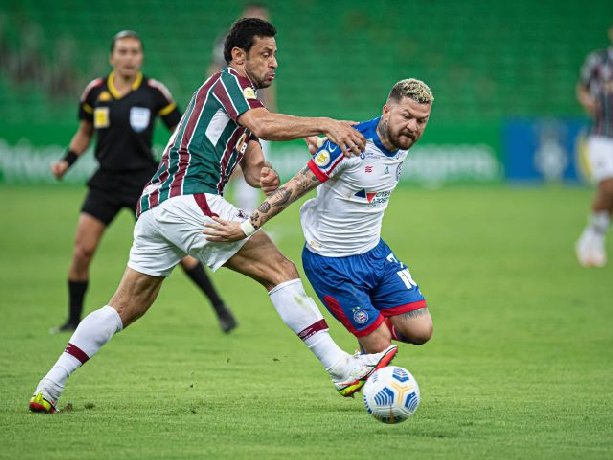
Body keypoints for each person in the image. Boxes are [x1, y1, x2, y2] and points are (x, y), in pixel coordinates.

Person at [29, 18, 396, 414]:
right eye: (265, 54)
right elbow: (263, 124)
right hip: (186, 197)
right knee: (279, 269)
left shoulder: (242, 106)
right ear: (238, 56)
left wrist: (264, 176)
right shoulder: (226, 83)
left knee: (124, 307)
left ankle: (48, 386)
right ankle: (341, 367)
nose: (274, 63)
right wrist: (325, 123)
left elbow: (255, 160)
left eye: (276, 55)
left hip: (155, 207)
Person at [204, 78, 434, 354]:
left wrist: (315, 137)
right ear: (386, 110)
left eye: (421, 121)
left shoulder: (400, 140)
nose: (412, 127)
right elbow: (294, 188)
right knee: (380, 345)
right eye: (406, 116)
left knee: (421, 331)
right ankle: (372, 343)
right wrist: (244, 227)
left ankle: (372, 333)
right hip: (331, 262)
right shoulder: (351, 144)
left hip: (374, 253)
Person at [49, 30, 237, 335]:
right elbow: (84, 133)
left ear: (141, 57)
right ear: (112, 56)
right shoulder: (95, 92)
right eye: (122, 51)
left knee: (184, 254)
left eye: (134, 51)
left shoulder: (154, 92)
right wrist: (66, 161)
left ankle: (220, 308)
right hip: (106, 182)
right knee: (82, 251)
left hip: (145, 183)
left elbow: (184, 128)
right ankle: (72, 320)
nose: (128, 57)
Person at [208, 3, 276, 212]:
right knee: (229, 169)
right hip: (234, 113)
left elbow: (271, 83)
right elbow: (213, 70)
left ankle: (246, 220)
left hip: (257, 112)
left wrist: (270, 112)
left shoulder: (265, 47)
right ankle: (220, 216)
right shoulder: (229, 43)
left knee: (257, 170)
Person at [575, 24, 613, 268]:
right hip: (602, 134)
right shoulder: (598, 61)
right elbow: (582, 88)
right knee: (609, 186)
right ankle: (593, 237)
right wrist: (588, 101)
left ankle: (593, 236)